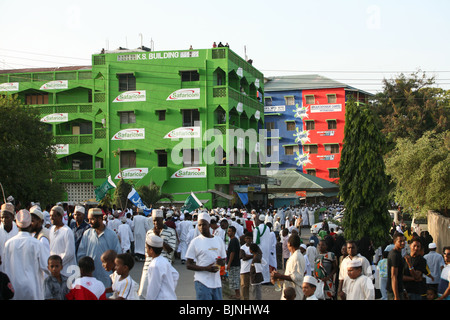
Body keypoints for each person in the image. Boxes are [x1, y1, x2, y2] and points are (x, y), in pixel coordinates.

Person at [3, 209, 49, 300]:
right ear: (29, 225)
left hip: (14, 288)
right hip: (33, 289)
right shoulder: (36, 244)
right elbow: (47, 267)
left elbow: (4, 267)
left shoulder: (8, 243)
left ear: (16, 224)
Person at [77, 207, 121, 289]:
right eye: (88, 219)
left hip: (106, 277)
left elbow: (118, 256)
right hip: (90, 276)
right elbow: (81, 254)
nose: (89, 222)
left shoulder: (112, 235)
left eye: (92, 219)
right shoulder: (87, 234)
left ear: (100, 219)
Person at [186, 212, 226, 300]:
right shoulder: (195, 242)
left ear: (209, 225)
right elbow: (188, 264)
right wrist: (205, 268)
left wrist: (220, 263)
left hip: (216, 283)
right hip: (202, 282)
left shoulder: (218, 240)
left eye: (204, 224)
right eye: (199, 225)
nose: (201, 227)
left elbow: (223, 260)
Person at [138, 209, 177, 297]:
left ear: (162, 219)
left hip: (164, 267)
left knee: (161, 294)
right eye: (154, 221)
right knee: (143, 293)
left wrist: (158, 238)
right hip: (149, 266)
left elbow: (171, 250)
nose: (155, 223)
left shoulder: (171, 231)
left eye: (157, 220)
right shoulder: (149, 232)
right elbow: (147, 252)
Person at [271, 234, 306, 300]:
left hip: (294, 294)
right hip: (289, 292)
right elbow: (290, 276)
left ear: (289, 244)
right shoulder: (294, 256)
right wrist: (277, 277)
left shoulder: (297, 257)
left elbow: (297, 277)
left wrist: (280, 276)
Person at [145, 234, 179, 300]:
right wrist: (169, 289)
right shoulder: (164, 260)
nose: (146, 250)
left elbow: (153, 287)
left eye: (146, 248)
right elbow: (175, 275)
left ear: (151, 250)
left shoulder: (154, 265)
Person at [49, 205, 77, 277]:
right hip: (55, 269)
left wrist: (57, 264)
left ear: (60, 217)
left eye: (54, 216)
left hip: (66, 270)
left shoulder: (67, 231)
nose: (51, 218)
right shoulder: (51, 229)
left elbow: (69, 253)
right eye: (50, 215)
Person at [386, 232, 407, 300]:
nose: (403, 243)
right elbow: (393, 276)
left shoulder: (398, 253)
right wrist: (396, 296)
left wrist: (403, 289)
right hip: (394, 292)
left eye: (404, 241)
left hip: (399, 289)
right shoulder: (394, 255)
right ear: (395, 242)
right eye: (400, 241)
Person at [253, 214, 273, 284]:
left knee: (260, 263)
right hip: (266, 248)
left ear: (258, 220)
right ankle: (266, 279)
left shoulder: (257, 229)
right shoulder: (267, 228)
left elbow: (255, 241)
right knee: (266, 263)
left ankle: (261, 279)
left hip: (259, 249)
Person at [0, 203, 18, 273]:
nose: (4, 220)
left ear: (13, 217)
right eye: (2, 217)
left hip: (15, 270)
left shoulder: (18, 232)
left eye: (7, 217)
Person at [226, 225, 241, 299]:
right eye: (228, 231)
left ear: (234, 232)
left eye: (229, 231)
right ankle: (236, 293)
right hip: (234, 263)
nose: (228, 233)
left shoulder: (234, 240)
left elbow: (233, 252)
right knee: (233, 278)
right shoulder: (232, 240)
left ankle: (238, 294)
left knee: (235, 279)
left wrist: (229, 263)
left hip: (234, 263)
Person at [239, 232, 253, 300]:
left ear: (252, 239)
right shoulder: (242, 247)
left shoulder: (255, 246)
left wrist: (247, 255)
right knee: (244, 287)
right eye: (247, 238)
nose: (248, 240)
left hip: (253, 269)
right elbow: (243, 257)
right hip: (244, 270)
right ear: (245, 239)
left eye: (249, 238)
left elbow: (259, 255)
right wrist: (253, 255)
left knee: (253, 287)